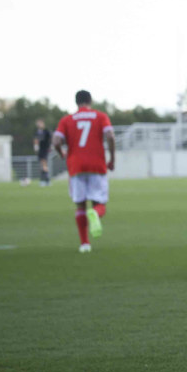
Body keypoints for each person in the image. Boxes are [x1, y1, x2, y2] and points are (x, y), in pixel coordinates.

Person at [51, 91, 114, 252]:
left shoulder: (67, 120)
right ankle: (95, 212)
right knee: (99, 204)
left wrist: (61, 153)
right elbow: (110, 136)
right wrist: (112, 157)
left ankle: (85, 244)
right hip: (97, 165)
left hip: (76, 166)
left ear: (76, 102)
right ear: (90, 101)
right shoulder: (100, 116)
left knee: (80, 206)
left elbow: (56, 140)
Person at [33, 118, 52, 187]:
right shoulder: (37, 132)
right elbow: (35, 140)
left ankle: (45, 181)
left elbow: (50, 139)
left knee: (44, 165)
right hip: (40, 150)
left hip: (45, 149)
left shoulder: (46, 131)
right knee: (42, 166)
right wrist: (36, 147)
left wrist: (50, 146)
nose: (39, 124)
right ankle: (44, 180)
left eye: (40, 123)